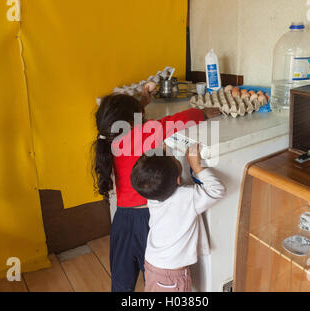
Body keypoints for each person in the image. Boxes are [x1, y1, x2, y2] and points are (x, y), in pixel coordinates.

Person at [92, 82, 221, 291]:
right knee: (153, 276)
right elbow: (175, 122)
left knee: (121, 281)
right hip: (148, 221)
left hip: (122, 220)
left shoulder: (109, 139)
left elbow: (128, 123)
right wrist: (202, 113)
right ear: (132, 120)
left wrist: (141, 102)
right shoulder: (143, 133)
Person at [130, 144, 226, 292]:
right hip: (172, 276)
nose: (175, 157)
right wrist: (197, 167)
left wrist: (162, 154)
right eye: (174, 158)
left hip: (152, 265)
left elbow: (154, 176)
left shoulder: (153, 195)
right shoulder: (187, 197)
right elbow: (217, 190)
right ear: (178, 180)